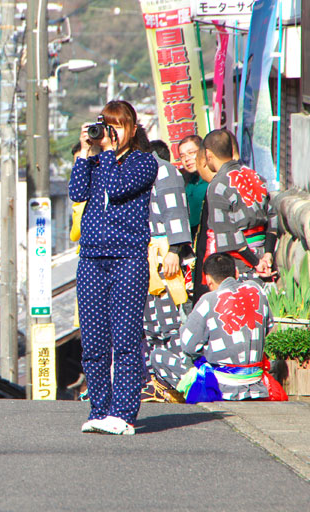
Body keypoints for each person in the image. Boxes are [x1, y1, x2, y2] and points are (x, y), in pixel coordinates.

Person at [69, 100, 157, 435]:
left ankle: (123, 414)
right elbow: (77, 193)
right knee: (92, 342)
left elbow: (117, 189)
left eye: (118, 125)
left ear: (133, 128)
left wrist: (105, 153)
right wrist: (84, 153)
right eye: (106, 124)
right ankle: (100, 409)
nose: (111, 132)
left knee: (124, 340)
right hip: (91, 259)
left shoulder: (143, 163)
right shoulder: (96, 160)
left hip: (127, 260)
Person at [151, 253, 272, 401]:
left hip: (220, 386)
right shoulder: (257, 291)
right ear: (236, 273)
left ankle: (185, 394)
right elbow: (268, 327)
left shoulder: (209, 300)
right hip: (255, 382)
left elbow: (188, 346)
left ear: (208, 279)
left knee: (157, 355)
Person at [141, 139, 192, 397]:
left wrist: (175, 249)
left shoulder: (164, 171)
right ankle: (156, 386)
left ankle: (185, 384)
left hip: (164, 257)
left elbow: (176, 212)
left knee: (170, 325)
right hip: (140, 258)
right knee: (147, 328)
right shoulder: (131, 171)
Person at [202, 129, 277, 283]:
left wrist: (256, 263)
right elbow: (273, 219)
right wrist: (267, 254)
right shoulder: (256, 176)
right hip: (265, 255)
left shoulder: (218, 185)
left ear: (208, 154)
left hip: (241, 263)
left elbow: (228, 234)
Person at [177, 135, 208, 241]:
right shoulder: (184, 182)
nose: (187, 159)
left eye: (191, 153)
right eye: (182, 156)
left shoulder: (212, 180)